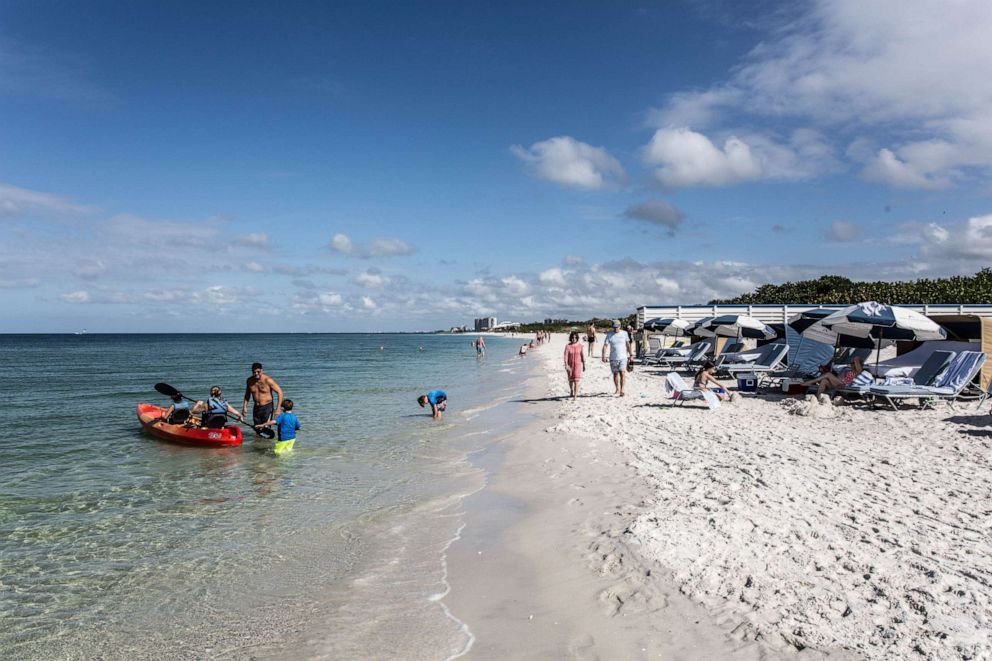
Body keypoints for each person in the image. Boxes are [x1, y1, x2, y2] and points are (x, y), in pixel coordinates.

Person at [242, 362, 283, 428]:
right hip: (256, 408)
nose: (256, 374)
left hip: (267, 407)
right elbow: (247, 394)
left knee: (266, 428)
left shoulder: (268, 380)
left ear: (262, 370)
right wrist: (244, 407)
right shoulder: (249, 381)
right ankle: (258, 439)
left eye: (258, 372)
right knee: (257, 427)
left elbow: (280, 392)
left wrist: (278, 408)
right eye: (254, 372)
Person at [802, 356, 866, 396]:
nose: (851, 364)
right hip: (838, 384)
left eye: (853, 363)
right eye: (852, 363)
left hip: (845, 387)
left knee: (828, 374)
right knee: (824, 380)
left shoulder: (858, 371)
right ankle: (818, 396)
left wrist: (856, 360)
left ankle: (810, 382)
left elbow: (857, 360)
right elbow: (840, 377)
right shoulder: (849, 370)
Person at [601, 320, 632, 396]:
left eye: (617, 327)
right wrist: (603, 356)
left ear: (620, 326)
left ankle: (622, 389)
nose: (615, 329)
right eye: (614, 327)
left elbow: (628, 344)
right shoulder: (609, 335)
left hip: (623, 357)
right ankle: (617, 389)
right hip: (613, 358)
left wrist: (631, 355)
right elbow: (605, 346)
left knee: (622, 373)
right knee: (615, 374)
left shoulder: (624, 333)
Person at [563, 331, 586, 399]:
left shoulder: (580, 346)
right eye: (572, 337)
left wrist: (584, 365)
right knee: (570, 380)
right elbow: (565, 356)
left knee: (576, 381)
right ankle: (571, 390)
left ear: (577, 338)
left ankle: (575, 395)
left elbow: (582, 356)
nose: (574, 339)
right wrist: (566, 364)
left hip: (578, 366)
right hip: (570, 366)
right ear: (570, 338)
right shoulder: (568, 346)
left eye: (575, 338)